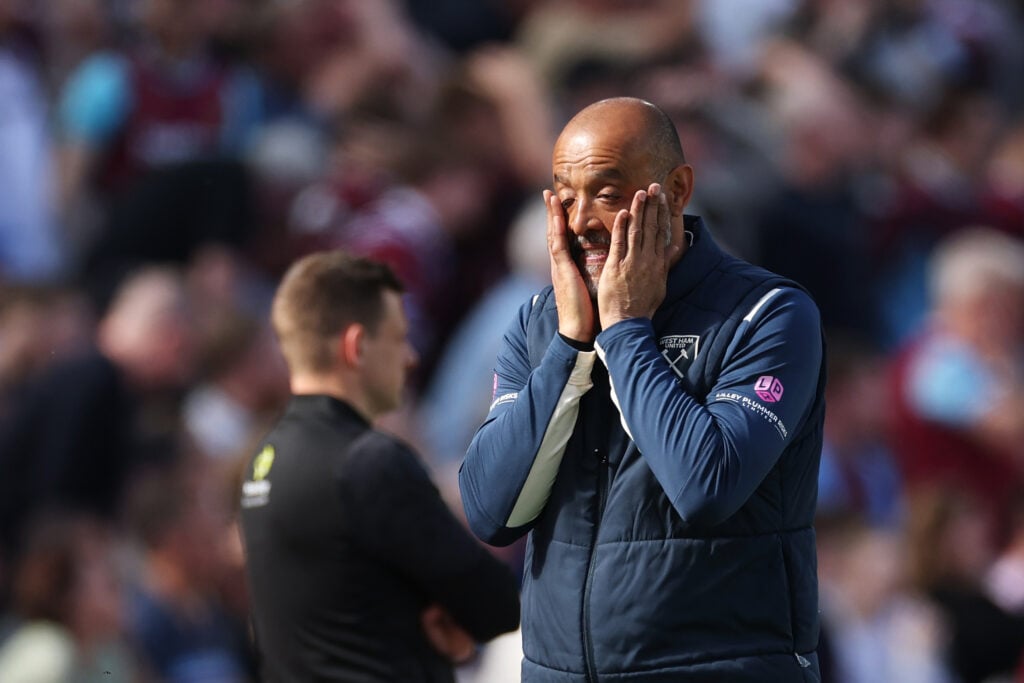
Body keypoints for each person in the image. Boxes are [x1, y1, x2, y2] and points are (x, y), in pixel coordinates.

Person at [459, 97, 827, 682]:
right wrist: (572, 347)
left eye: (606, 194)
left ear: (676, 190)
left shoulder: (769, 314)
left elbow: (706, 484)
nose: (580, 221)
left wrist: (627, 332)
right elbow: (489, 511)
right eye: (565, 195)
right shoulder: (539, 323)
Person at [237, 251, 520, 682]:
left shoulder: (263, 462)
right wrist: (445, 618)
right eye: (398, 337)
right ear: (356, 346)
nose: (410, 357)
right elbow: (497, 606)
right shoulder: (370, 462)